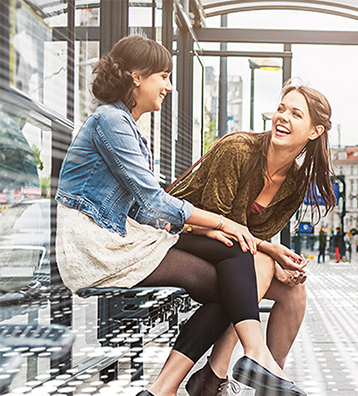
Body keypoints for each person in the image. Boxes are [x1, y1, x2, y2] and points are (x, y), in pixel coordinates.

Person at [54, 35, 306, 396]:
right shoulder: (110, 121)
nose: (169, 87)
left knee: (235, 263)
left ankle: (189, 381)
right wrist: (219, 223)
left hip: (120, 237)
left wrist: (204, 231)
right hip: (97, 246)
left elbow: (143, 209)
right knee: (234, 281)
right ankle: (227, 366)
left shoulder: (128, 126)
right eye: (163, 76)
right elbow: (153, 201)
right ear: (136, 77)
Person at [169, 83, 336, 396]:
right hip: (184, 235)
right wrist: (271, 251)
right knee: (258, 263)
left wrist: (277, 260)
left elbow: (253, 235)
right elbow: (216, 222)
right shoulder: (238, 149)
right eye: (282, 108)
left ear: (314, 131)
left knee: (294, 290)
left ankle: (271, 378)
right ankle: (215, 375)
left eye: (295, 114)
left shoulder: (296, 183)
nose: (282, 117)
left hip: (230, 253)